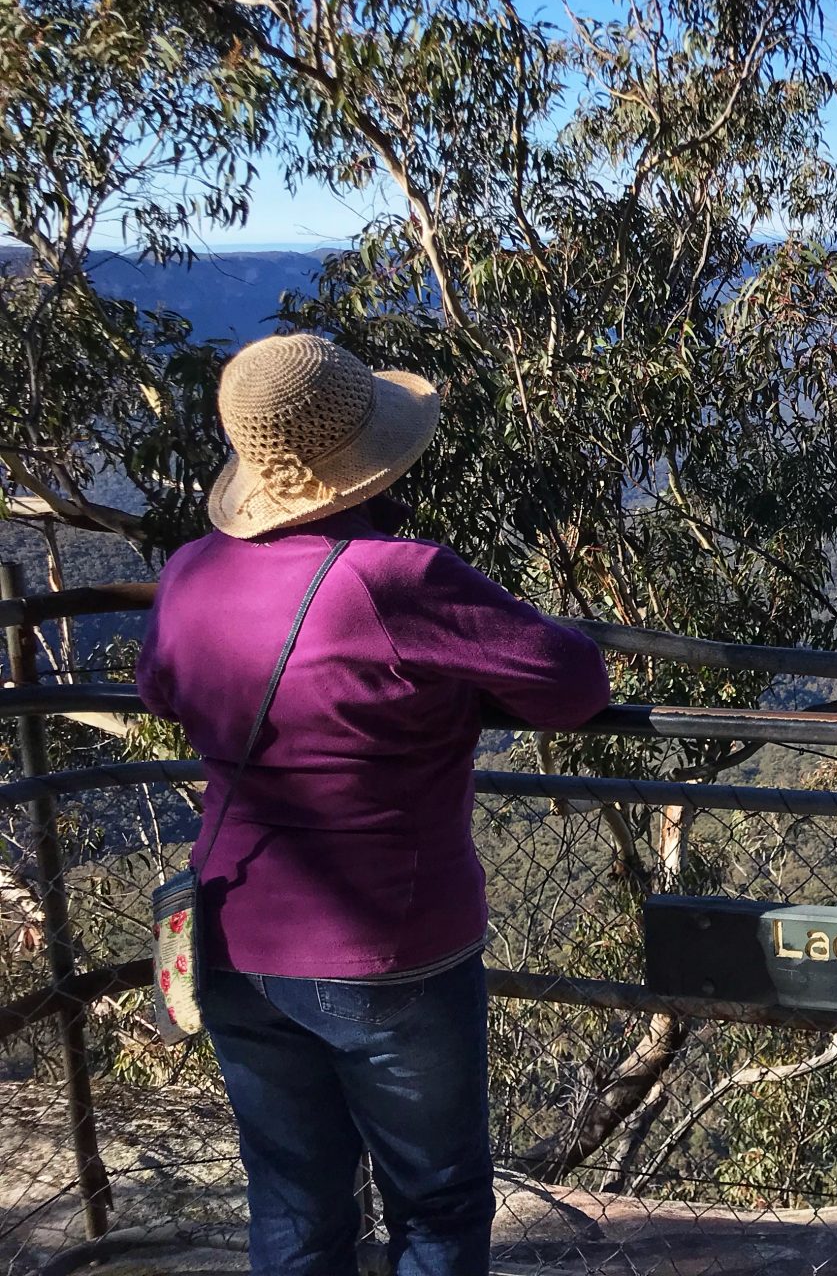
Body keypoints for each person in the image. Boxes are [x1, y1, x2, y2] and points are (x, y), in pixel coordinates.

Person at [136, 332, 612, 1276]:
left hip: (231, 936)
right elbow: (574, 681)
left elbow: (163, 690)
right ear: (371, 456)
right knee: (434, 1207)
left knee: (294, 1204)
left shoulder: (191, 571)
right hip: (389, 948)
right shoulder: (397, 575)